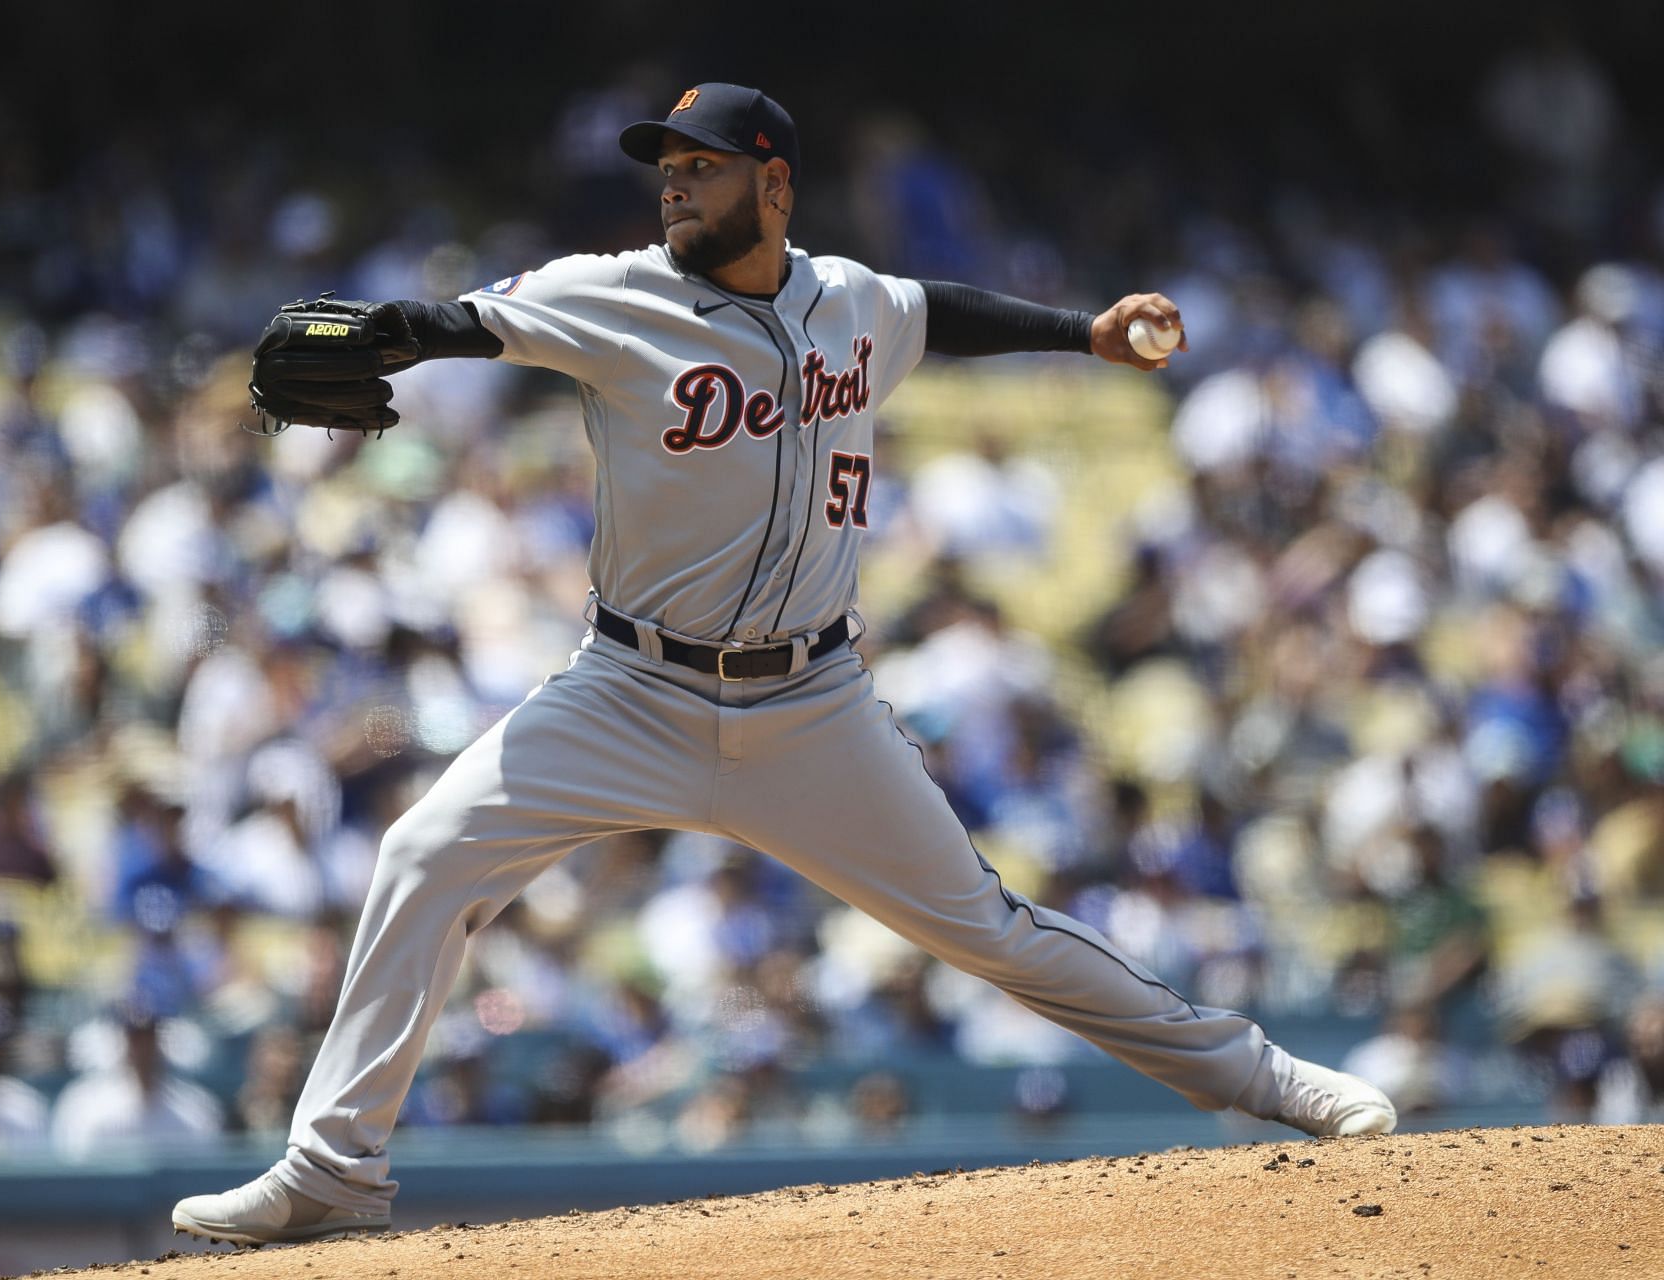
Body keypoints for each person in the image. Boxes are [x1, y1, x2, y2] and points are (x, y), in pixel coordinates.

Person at [172, 82, 1396, 1246]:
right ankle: (334, 1170)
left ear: (775, 184)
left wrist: (1087, 332)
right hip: (629, 690)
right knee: (423, 852)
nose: (675, 189)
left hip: (812, 704)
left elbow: (936, 310)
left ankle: (1273, 1078)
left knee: (994, 928)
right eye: (666, 169)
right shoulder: (609, 293)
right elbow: (468, 321)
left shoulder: (851, 299)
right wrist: (390, 335)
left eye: (701, 169)